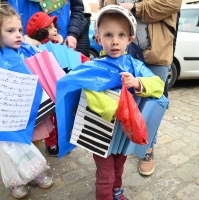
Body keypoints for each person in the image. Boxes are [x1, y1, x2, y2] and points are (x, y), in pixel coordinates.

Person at [67, 5, 164, 199]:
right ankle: (104, 195)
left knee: (119, 164)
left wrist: (138, 83)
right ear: (98, 38)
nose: (115, 41)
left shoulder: (135, 66)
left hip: (124, 132)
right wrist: (115, 106)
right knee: (105, 173)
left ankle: (117, 191)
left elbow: (158, 85)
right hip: (100, 132)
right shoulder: (92, 67)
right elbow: (85, 90)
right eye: (108, 35)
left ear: (129, 39)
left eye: (121, 35)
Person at [0, 3, 53, 199]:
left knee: (35, 139)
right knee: (9, 148)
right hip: (4, 117)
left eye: (19, 29)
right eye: (11, 30)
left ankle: (34, 172)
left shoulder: (27, 49)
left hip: (33, 110)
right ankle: (15, 180)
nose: (18, 35)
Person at [101, 0, 182, 176]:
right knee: (123, 101)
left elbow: (173, 3)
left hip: (156, 50)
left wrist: (135, 9)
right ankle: (123, 140)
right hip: (125, 49)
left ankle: (147, 148)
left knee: (152, 102)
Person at [24, 11, 90, 155]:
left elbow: (75, 56)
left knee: (62, 116)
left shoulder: (59, 45)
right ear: (41, 32)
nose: (55, 30)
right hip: (45, 92)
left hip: (61, 88)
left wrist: (86, 61)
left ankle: (62, 141)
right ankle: (51, 142)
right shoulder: (34, 51)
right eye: (50, 27)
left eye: (54, 26)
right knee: (49, 118)